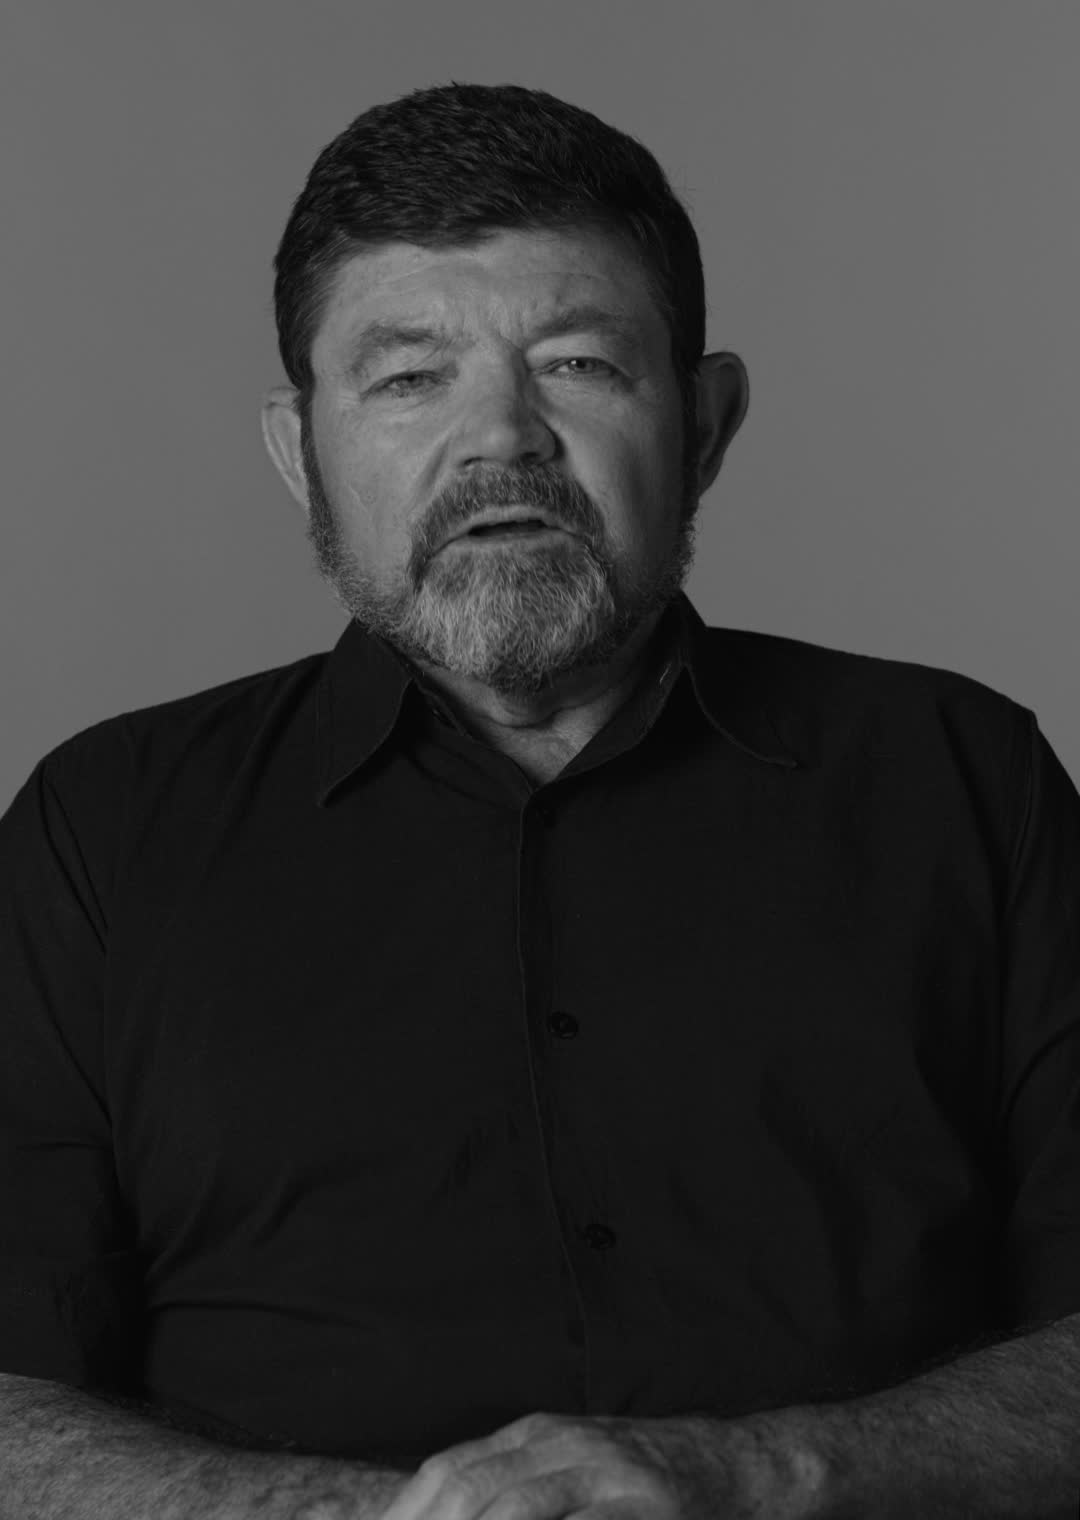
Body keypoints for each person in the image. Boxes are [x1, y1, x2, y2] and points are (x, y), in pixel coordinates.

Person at [1, 80, 1079, 1520]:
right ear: (299, 450)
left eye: (577, 364)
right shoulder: (102, 830)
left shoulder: (967, 781)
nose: (500, 440)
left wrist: (756, 1475)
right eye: (408, 378)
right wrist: (373, 1519)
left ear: (706, 422)